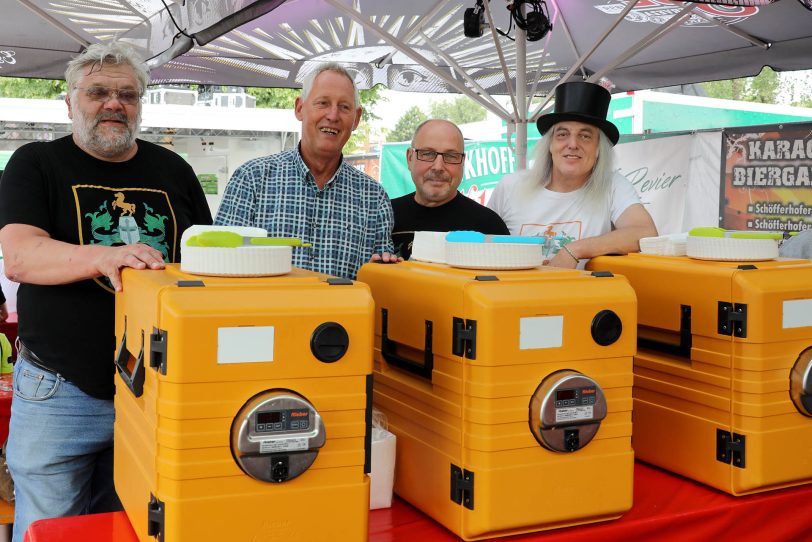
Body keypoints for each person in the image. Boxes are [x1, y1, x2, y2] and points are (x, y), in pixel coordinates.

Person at [0, 41, 212, 540]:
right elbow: (21, 256)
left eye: (128, 95)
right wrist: (106, 254)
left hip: (155, 390)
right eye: (98, 92)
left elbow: (198, 264)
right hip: (61, 390)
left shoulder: (174, 170)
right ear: (69, 101)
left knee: (134, 525)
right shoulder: (36, 163)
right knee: (52, 529)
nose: (114, 104)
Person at [215, 62, 395, 279]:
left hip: (341, 314)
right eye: (323, 103)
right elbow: (219, 265)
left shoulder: (374, 198)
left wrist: (386, 269)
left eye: (344, 107)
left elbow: (378, 284)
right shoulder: (252, 180)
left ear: (356, 118)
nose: (333, 115)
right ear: (299, 108)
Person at [488, 81, 657, 268]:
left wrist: (573, 250)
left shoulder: (612, 185)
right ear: (550, 144)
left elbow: (645, 232)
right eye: (562, 134)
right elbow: (483, 245)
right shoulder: (511, 186)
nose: (573, 144)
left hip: (582, 296)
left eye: (585, 136)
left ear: (598, 148)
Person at [391, 119, 509, 259]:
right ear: (410, 158)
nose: (438, 167)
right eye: (428, 154)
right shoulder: (382, 217)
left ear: (463, 163)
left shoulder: (490, 227)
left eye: (451, 156)